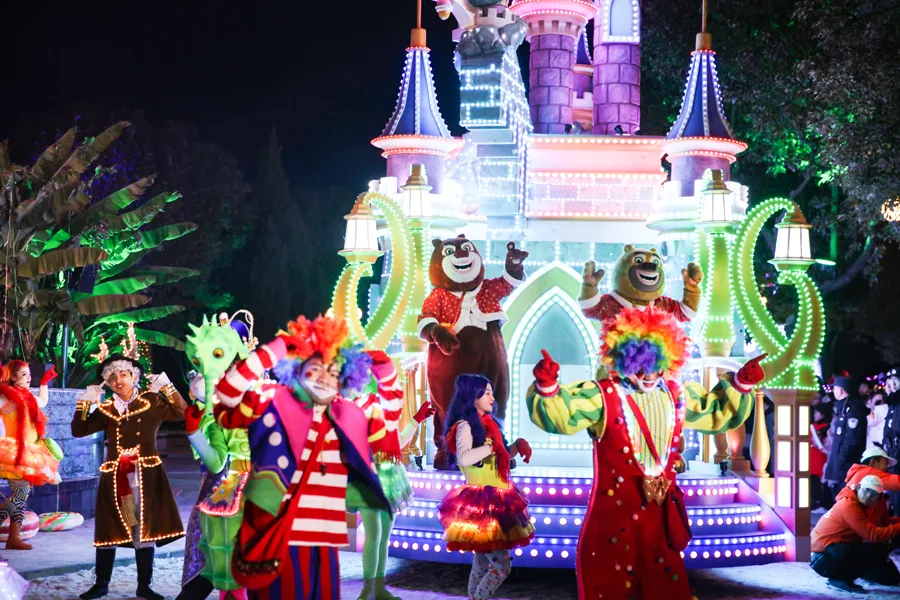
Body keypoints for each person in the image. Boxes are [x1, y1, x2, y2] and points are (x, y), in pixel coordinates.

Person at [527, 306, 764, 600]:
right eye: (641, 367)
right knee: (610, 585)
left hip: (659, 515)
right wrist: (548, 387)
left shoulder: (677, 395)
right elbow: (564, 415)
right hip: (615, 516)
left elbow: (714, 412)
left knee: (663, 586)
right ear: (624, 361)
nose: (649, 375)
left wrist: (741, 382)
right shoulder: (603, 395)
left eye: (657, 366)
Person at [214, 314, 390, 600]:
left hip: (325, 541)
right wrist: (271, 352)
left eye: (333, 372)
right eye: (315, 369)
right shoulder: (272, 401)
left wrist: (387, 374)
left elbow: (389, 432)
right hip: (280, 538)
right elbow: (225, 397)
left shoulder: (347, 417)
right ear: (297, 370)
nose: (324, 378)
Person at [72, 354, 187, 600]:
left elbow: (181, 413)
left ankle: (144, 586)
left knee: (144, 530)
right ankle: (101, 584)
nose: (118, 380)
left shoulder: (151, 401)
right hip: (115, 477)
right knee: (109, 529)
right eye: (112, 377)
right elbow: (79, 430)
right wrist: (84, 404)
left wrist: (167, 387)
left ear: (134, 377)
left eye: (123, 374)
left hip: (146, 475)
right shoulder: (106, 409)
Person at [177, 311, 256, 600]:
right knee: (218, 561)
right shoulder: (214, 411)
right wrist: (194, 432)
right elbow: (216, 461)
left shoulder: (261, 397)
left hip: (260, 489)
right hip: (226, 490)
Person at [345, 350, 435, 600]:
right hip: (369, 477)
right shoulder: (354, 410)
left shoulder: (383, 409)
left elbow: (398, 441)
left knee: (383, 537)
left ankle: (379, 588)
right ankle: (367, 590)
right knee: (373, 535)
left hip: (391, 475)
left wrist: (416, 419)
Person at [439, 374, 534, 600]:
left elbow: (498, 455)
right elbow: (464, 457)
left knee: (481, 563)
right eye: (487, 393)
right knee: (502, 567)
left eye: (492, 392)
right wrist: (492, 448)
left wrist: (516, 446)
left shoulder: (490, 424)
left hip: (499, 496)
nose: (492, 397)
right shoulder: (464, 426)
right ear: (473, 397)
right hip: (482, 503)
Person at [0, 361, 61, 550]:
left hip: (31, 451)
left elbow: (42, 402)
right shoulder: (5, 396)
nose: (29, 377)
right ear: (12, 377)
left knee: (21, 496)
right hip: (14, 452)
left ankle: (13, 538)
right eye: (24, 374)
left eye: (29, 374)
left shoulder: (28, 396)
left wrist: (44, 383)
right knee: (20, 494)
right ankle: (13, 537)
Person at [811, 474, 900, 592]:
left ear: (878, 498)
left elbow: (878, 525)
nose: (868, 496)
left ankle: (849, 574)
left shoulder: (859, 504)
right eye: (866, 490)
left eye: (874, 494)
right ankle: (840, 578)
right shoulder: (849, 506)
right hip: (823, 559)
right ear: (858, 488)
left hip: (830, 553)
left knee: (890, 578)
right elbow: (873, 535)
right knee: (878, 548)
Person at [824, 375, 868, 504]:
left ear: (841, 390)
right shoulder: (843, 408)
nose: (833, 391)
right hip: (840, 465)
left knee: (845, 500)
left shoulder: (853, 409)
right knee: (838, 498)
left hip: (847, 465)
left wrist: (841, 458)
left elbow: (852, 439)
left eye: (835, 388)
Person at [882, 370, 900, 516]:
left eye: (894, 383)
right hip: (893, 457)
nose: (889, 386)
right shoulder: (892, 405)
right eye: (888, 383)